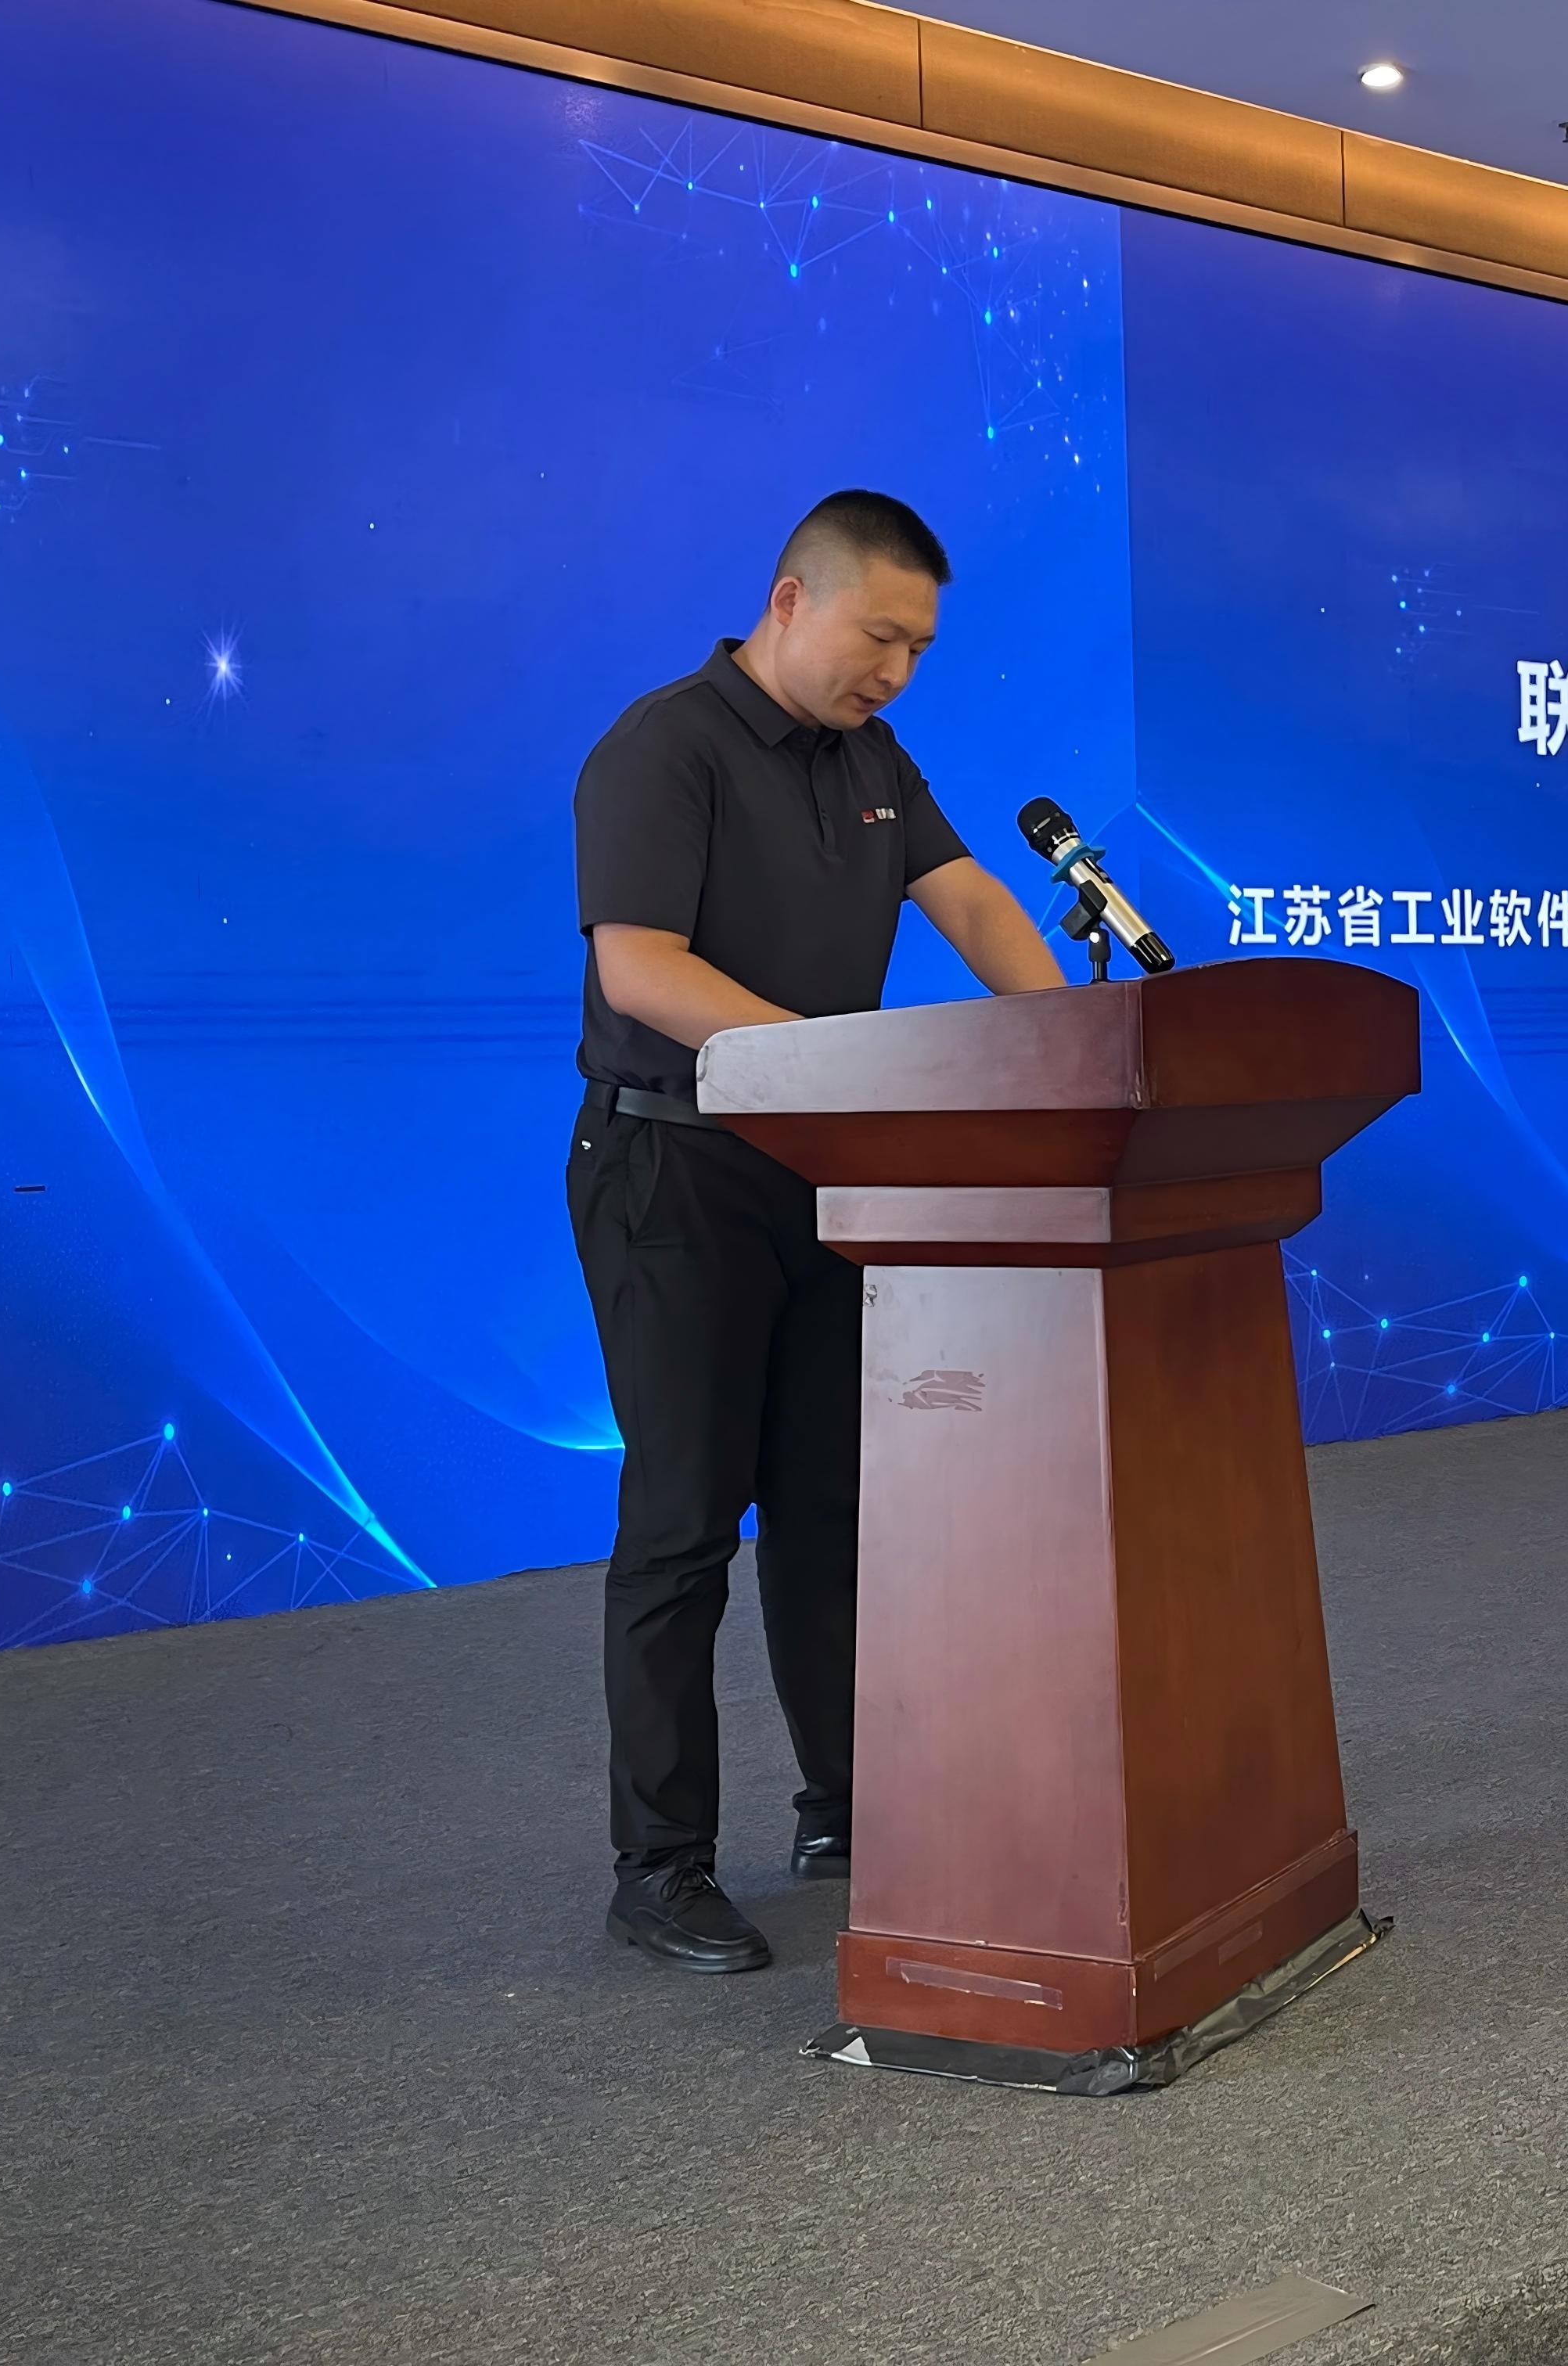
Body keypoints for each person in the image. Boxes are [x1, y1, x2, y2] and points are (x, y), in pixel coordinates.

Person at [567, 489, 1060, 1974]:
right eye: (878, 636)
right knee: (684, 1522)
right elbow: (642, 969)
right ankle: (659, 1863)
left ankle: (850, 1806)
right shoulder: (663, 747)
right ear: (791, 599)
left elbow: (970, 901)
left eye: (920, 650)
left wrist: (1078, 1042)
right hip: (675, 1168)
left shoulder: (875, 760)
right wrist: (832, 1067)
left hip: (822, 1172)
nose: (895, 672)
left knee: (833, 1509)